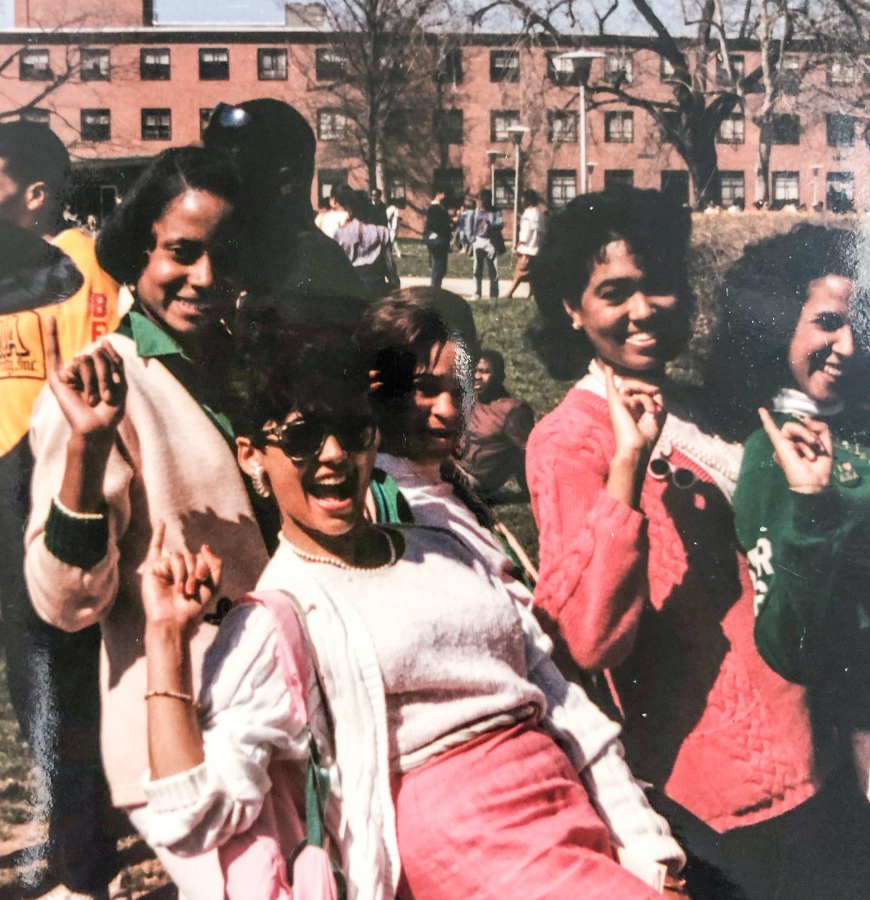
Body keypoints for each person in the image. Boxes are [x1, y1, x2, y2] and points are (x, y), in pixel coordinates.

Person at [139, 313, 684, 899]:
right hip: (471, 848)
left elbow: (563, 702)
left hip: (570, 813)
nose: (332, 455)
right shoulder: (281, 617)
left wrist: (653, 854)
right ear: (251, 456)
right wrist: (166, 642)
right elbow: (193, 818)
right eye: (300, 438)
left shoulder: (443, 545)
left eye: (352, 430)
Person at [525, 188, 837, 899]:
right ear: (572, 309)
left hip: (815, 751)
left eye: (658, 284)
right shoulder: (567, 442)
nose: (643, 310)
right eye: (614, 292)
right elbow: (588, 638)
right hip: (717, 793)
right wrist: (628, 468)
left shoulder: (710, 407)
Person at [23, 147, 273, 898]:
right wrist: (88, 450)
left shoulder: (251, 367)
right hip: (186, 726)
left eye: (222, 257)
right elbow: (65, 599)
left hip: (284, 703)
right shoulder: (103, 383)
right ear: (137, 254)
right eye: (181, 253)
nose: (204, 278)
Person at [0, 120, 125, 899]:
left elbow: (89, 381)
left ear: (35, 196)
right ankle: (74, 845)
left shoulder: (84, 267)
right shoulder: (3, 271)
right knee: (32, 685)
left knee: (55, 684)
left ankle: (83, 866)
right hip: (4, 485)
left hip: (50, 485)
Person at [726, 227, 870, 877]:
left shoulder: (857, 425)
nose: (848, 343)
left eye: (859, 322)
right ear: (781, 326)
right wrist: (811, 504)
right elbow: (788, 643)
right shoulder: (775, 454)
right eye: (828, 323)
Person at [202, 99, 365, 302]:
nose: (213, 188)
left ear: (285, 184)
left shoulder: (309, 281)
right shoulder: (262, 264)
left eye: (230, 175)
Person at [462, 349, 535, 499]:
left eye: (485, 372)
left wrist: (531, 492)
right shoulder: (470, 401)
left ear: (500, 376)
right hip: (448, 466)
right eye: (474, 371)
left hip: (472, 480)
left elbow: (528, 453)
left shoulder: (512, 410)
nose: (477, 377)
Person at [331, 188, 395, 299]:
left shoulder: (340, 233)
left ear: (350, 209)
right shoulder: (382, 232)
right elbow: (389, 264)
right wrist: (395, 285)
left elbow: (336, 266)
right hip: (376, 285)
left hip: (351, 287)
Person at [503, 189, 544, 299]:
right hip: (537, 249)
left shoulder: (527, 215)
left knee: (519, 273)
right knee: (533, 275)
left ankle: (509, 293)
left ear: (527, 200)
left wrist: (518, 244)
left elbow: (525, 235)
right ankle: (531, 294)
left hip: (527, 250)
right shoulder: (539, 214)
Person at [470, 190, 502, 300]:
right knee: (477, 269)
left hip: (490, 241)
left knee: (493, 269)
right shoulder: (476, 211)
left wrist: (491, 224)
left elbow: (500, 224)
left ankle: (494, 294)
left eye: (486, 199)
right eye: (482, 199)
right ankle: (476, 293)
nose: (484, 202)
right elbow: (471, 225)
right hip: (478, 240)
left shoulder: (496, 211)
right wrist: (472, 239)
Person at [422, 187, 451, 289]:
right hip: (438, 241)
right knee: (438, 267)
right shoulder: (435, 208)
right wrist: (447, 227)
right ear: (438, 194)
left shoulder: (438, 208)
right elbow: (435, 225)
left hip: (439, 241)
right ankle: (435, 289)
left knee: (440, 267)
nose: (445, 196)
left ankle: (436, 287)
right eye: (443, 194)